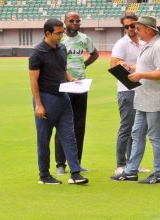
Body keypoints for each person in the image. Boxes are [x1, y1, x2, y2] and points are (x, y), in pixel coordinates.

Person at [110, 15, 160, 184]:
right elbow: (146, 67)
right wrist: (130, 67)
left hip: (156, 99)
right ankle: (131, 170)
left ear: (148, 29)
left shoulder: (159, 47)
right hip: (144, 98)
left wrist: (141, 74)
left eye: (138, 28)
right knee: (137, 133)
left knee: (155, 136)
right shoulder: (148, 45)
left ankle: (159, 173)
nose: (135, 31)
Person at [29, 18, 89, 185]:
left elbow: (63, 69)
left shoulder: (62, 47)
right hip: (46, 99)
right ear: (47, 33)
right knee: (44, 139)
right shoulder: (37, 53)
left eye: (62, 31)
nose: (62, 35)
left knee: (69, 136)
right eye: (58, 33)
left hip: (63, 98)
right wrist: (39, 104)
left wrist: (71, 79)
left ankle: (75, 173)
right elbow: (33, 80)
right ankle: (44, 175)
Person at [54, 11, 99, 175]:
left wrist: (84, 65)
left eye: (77, 21)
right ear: (65, 22)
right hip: (65, 85)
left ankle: (77, 162)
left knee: (79, 124)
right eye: (71, 20)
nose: (75, 23)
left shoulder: (84, 39)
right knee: (62, 124)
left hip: (80, 84)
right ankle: (60, 164)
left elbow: (95, 54)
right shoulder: (60, 39)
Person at [110, 12, 150, 175]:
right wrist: (131, 80)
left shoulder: (141, 42)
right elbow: (114, 65)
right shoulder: (122, 43)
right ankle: (121, 164)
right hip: (126, 91)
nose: (129, 29)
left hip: (141, 90)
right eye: (126, 26)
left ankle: (133, 162)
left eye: (132, 25)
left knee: (138, 128)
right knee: (126, 127)